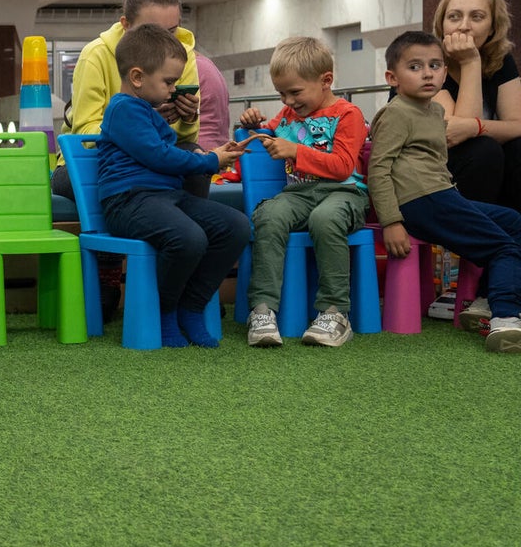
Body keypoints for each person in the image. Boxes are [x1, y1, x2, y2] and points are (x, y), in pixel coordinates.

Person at [96, 24, 251, 348]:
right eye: (168, 82)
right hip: (127, 201)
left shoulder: (145, 110)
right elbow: (159, 156)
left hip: (165, 197)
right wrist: (211, 160)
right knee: (188, 237)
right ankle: (166, 311)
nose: (173, 89)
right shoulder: (122, 108)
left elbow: (162, 151)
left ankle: (191, 307)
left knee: (235, 226)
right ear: (137, 77)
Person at [368, 30, 521, 353]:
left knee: (512, 221)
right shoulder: (396, 113)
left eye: (435, 65)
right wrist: (392, 221)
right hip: (422, 202)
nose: (428, 73)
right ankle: (506, 317)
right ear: (391, 78)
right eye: (415, 67)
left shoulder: (435, 112)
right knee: (503, 248)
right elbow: (378, 169)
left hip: (441, 195)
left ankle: (483, 302)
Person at [236, 37, 370, 348]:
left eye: (295, 92)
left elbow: (341, 166)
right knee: (268, 215)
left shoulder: (348, 114)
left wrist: (295, 151)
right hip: (299, 194)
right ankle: (262, 310)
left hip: (344, 191)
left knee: (325, 218)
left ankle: (335, 312)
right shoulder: (287, 115)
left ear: (326, 81)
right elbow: (268, 131)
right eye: (282, 93)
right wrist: (253, 122)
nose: (289, 100)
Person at [53, 0, 205, 200]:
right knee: (126, 175)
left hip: (153, 157)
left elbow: (184, 139)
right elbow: (84, 135)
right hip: (92, 159)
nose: (164, 43)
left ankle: (193, 224)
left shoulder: (182, 56)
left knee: (194, 156)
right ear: (125, 24)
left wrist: (189, 117)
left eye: (171, 32)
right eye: (151, 32)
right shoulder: (95, 56)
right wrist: (141, 125)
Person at [430, 0, 521, 328]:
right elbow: (453, 134)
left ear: (493, 27)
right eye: (455, 16)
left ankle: (502, 287)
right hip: (436, 179)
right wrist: (469, 63)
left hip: (489, 175)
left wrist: (478, 127)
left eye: (476, 16)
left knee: (514, 151)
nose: (464, 26)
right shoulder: (426, 61)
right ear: (442, 25)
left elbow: (517, 124)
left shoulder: (501, 61)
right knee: (483, 151)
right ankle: (476, 282)